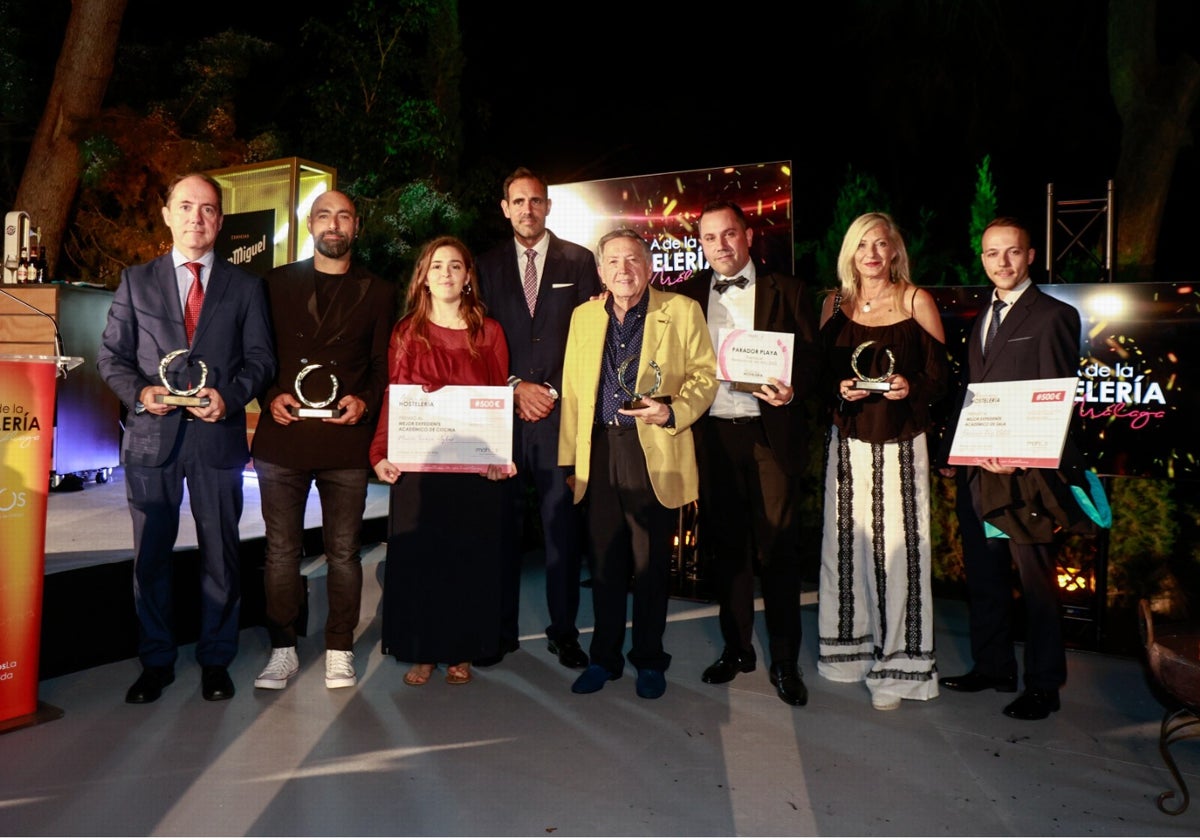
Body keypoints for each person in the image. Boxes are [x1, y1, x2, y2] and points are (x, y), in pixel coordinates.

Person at [97, 173, 276, 704]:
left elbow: (262, 360)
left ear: (220, 220)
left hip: (216, 438)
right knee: (150, 555)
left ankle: (216, 659)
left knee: (221, 553)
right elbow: (112, 356)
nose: (197, 218)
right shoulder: (136, 281)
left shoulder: (246, 288)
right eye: (186, 206)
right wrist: (140, 392)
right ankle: (156, 661)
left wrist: (233, 394)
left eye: (208, 209)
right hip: (153, 439)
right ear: (167, 214)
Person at [558, 228, 718, 700]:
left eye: (632, 260)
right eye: (613, 261)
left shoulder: (681, 310)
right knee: (605, 562)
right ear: (601, 270)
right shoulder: (584, 316)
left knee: (650, 566)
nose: (623, 269)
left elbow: (705, 376)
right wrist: (570, 461)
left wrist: (673, 412)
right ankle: (604, 658)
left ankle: (649, 659)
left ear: (649, 269)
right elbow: (571, 390)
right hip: (600, 449)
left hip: (655, 445)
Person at [938, 217, 1085, 720]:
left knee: (1038, 586)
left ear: (1030, 255)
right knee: (984, 575)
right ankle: (993, 666)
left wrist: (1029, 451)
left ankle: (1045, 684)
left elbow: (1060, 397)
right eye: (991, 253)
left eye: (1012, 252)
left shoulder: (1054, 315)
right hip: (980, 469)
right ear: (982, 258)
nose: (1001, 262)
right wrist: (955, 456)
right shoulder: (982, 315)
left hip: (1028, 474)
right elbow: (974, 391)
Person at [674, 200, 820, 707]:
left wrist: (792, 389)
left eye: (729, 234)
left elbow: (811, 363)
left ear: (749, 235)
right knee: (727, 551)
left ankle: (784, 660)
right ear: (702, 243)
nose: (721, 245)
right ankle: (737, 649)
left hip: (768, 434)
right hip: (712, 435)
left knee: (778, 551)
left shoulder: (791, 290)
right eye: (710, 237)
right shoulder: (685, 297)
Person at [250, 190, 395, 692]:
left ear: (357, 226)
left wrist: (366, 402)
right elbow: (258, 354)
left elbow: (382, 367)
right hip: (283, 439)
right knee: (281, 553)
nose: (334, 224)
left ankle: (338, 648)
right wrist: (269, 394)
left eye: (344, 216)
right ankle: (283, 649)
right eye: (324, 215)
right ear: (309, 224)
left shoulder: (378, 291)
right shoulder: (274, 283)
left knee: (343, 552)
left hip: (344, 442)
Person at [370, 236, 515, 687]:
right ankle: (422, 650)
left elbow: (499, 400)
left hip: (472, 472)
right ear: (424, 278)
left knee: (467, 559)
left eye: (455, 266)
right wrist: (379, 452)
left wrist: (501, 457)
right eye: (437, 267)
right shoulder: (404, 332)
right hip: (419, 468)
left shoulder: (489, 332)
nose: (447, 274)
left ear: (468, 276)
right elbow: (393, 398)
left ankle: (461, 648)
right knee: (420, 560)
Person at [815, 211, 946, 711]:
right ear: (850, 251)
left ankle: (901, 668)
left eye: (881, 244)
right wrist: (838, 389)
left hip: (901, 441)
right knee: (843, 550)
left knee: (900, 554)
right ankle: (845, 654)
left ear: (895, 251)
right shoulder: (833, 303)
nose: (871, 253)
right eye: (862, 244)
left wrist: (912, 387)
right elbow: (819, 373)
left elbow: (940, 378)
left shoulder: (917, 300)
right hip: (845, 442)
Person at [476, 167, 601, 669]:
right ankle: (499, 631)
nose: (527, 209)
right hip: (501, 418)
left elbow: (592, 336)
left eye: (536, 201)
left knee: (560, 530)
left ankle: (564, 632)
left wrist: (548, 389)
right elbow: (476, 340)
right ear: (505, 208)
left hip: (558, 416)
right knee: (499, 528)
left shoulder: (581, 260)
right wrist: (513, 386)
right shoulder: (483, 266)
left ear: (548, 206)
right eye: (518, 201)